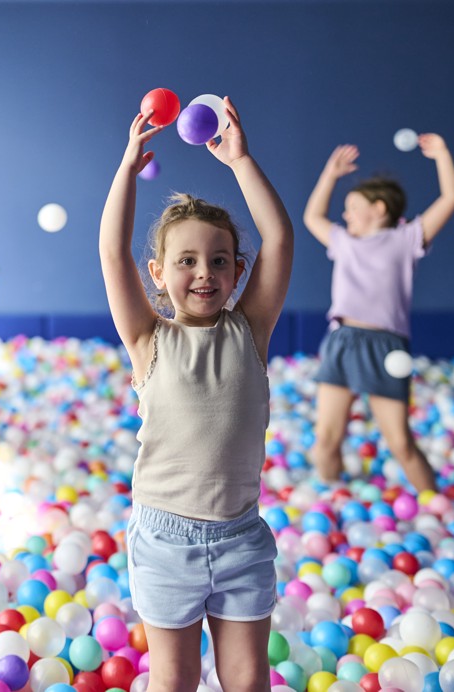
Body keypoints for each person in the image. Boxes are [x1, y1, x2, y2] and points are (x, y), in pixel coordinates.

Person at [99, 98, 293, 692]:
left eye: (218, 261)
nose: (203, 272)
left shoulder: (249, 331)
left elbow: (280, 239)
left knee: (247, 681)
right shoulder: (147, 341)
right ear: (157, 273)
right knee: (174, 682)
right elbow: (112, 252)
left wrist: (240, 161)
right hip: (165, 542)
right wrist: (127, 169)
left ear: (237, 272)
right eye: (186, 261)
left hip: (241, 539)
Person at [302, 134, 454, 492]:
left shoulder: (406, 240)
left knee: (401, 443)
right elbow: (312, 216)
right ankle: (331, 497)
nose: (344, 215)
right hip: (341, 339)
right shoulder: (344, 242)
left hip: (385, 346)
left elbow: (451, 198)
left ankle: (436, 503)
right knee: (325, 439)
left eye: (352, 206)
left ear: (379, 209)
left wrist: (442, 155)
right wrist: (330, 174)